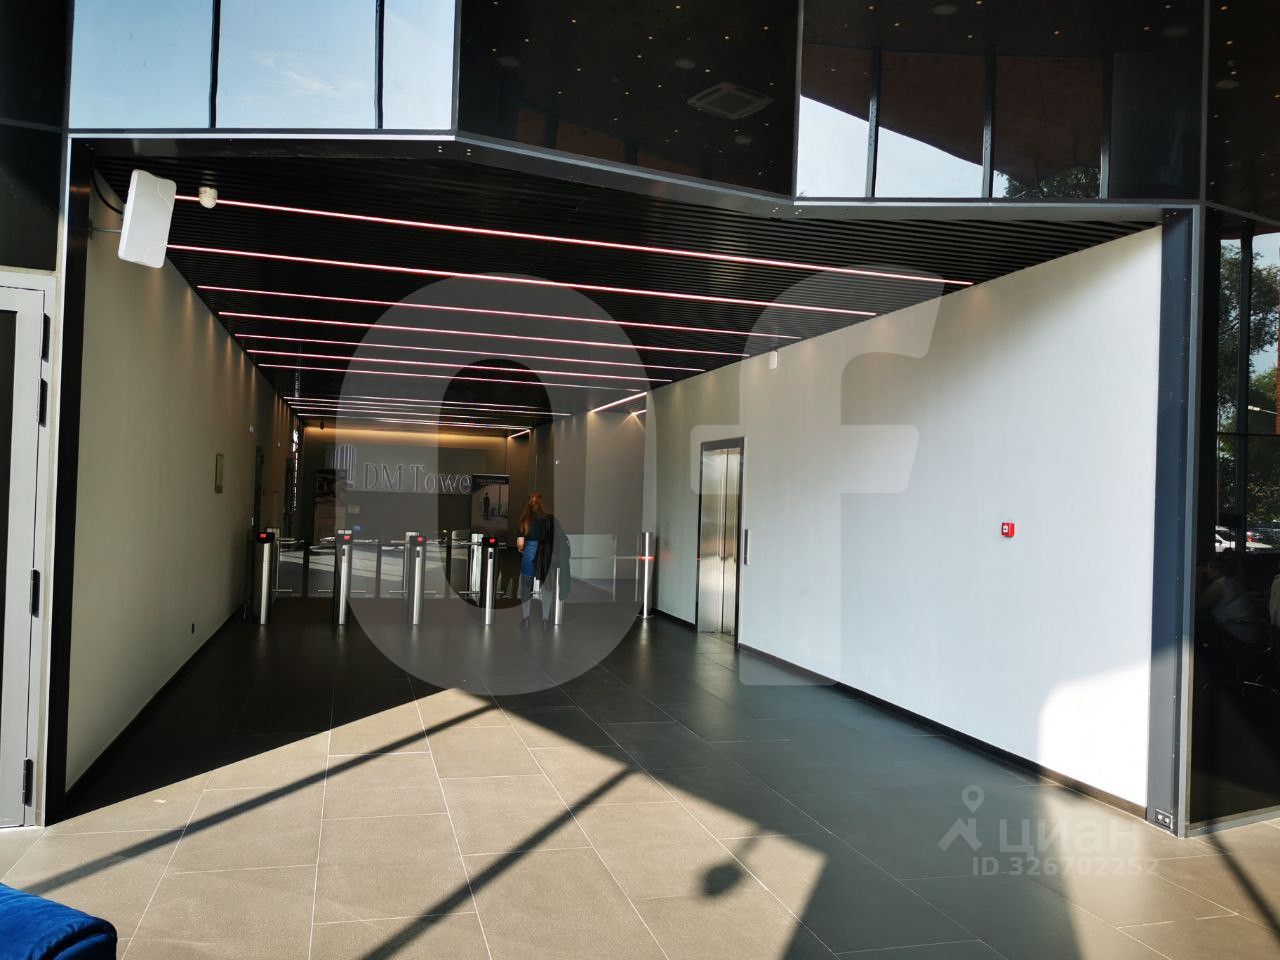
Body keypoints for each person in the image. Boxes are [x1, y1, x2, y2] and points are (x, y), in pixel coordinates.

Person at [516, 493, 556, 628]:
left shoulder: (523, 521)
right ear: (541, 504)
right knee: (546, 587)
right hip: (545, 556)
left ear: (528, 504)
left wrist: (523, 549)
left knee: (526, 587)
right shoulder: (549, 519)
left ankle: (526, 619)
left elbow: (520, 544)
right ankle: (545, 620)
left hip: (529, 554)